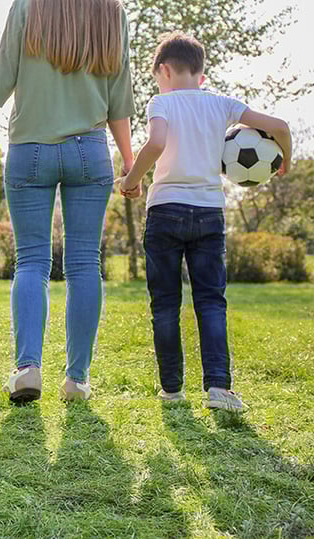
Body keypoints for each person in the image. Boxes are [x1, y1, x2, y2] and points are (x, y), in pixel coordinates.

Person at [0, 0, 135, 403]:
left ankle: (27, 369)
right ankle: (77, 379)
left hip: (30, 151)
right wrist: (131, 163)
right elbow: (120, 99)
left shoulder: (28, 6)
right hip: (90, 151)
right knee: (84, 264)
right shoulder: (113, 12)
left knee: (31, 261)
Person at [117, 33, 292, 411]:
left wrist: (132, 180)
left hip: (164, 210)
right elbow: (279, 126)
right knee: (211, 301)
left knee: (165, 303)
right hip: (209, 211)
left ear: (163, 70)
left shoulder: (160, 102)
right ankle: (218, 388)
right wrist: (286, 161)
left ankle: (172, 389)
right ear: (201, 73)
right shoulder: (221, 104)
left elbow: (158, 143)